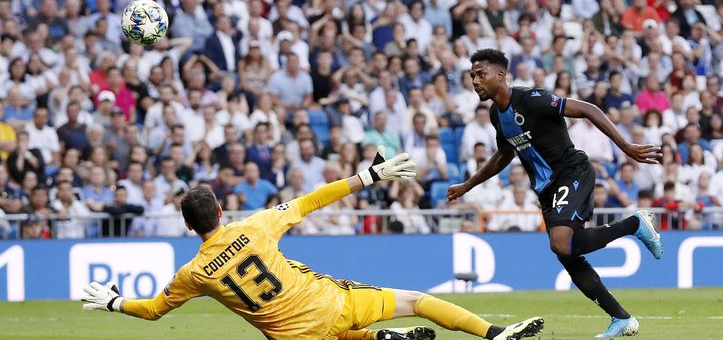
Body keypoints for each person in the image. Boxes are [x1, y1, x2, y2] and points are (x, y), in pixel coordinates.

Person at [82, 145, 544, 340]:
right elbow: (313, 199)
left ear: (187, 226)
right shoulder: (256, 226)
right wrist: (370, 175)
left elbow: (153, 311)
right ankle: (493, 334)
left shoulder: (194, 274)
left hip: (290, 336)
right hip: (327, 303)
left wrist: (114, 302)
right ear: (221, 211)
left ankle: (382, 339)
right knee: (418, 300)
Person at [447, 49, 664, 339]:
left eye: (480, 74)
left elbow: (588, 109)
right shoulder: (496, 115)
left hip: (571, 171)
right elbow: (504, 155)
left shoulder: (531, 99)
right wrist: (468, 185)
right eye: (472, 75)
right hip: (546, 190)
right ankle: (621, 318)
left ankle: (634, 224)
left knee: (562, 242)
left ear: (500, 75)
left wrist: (625, 146)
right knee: (567, 254)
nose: (475, 80)